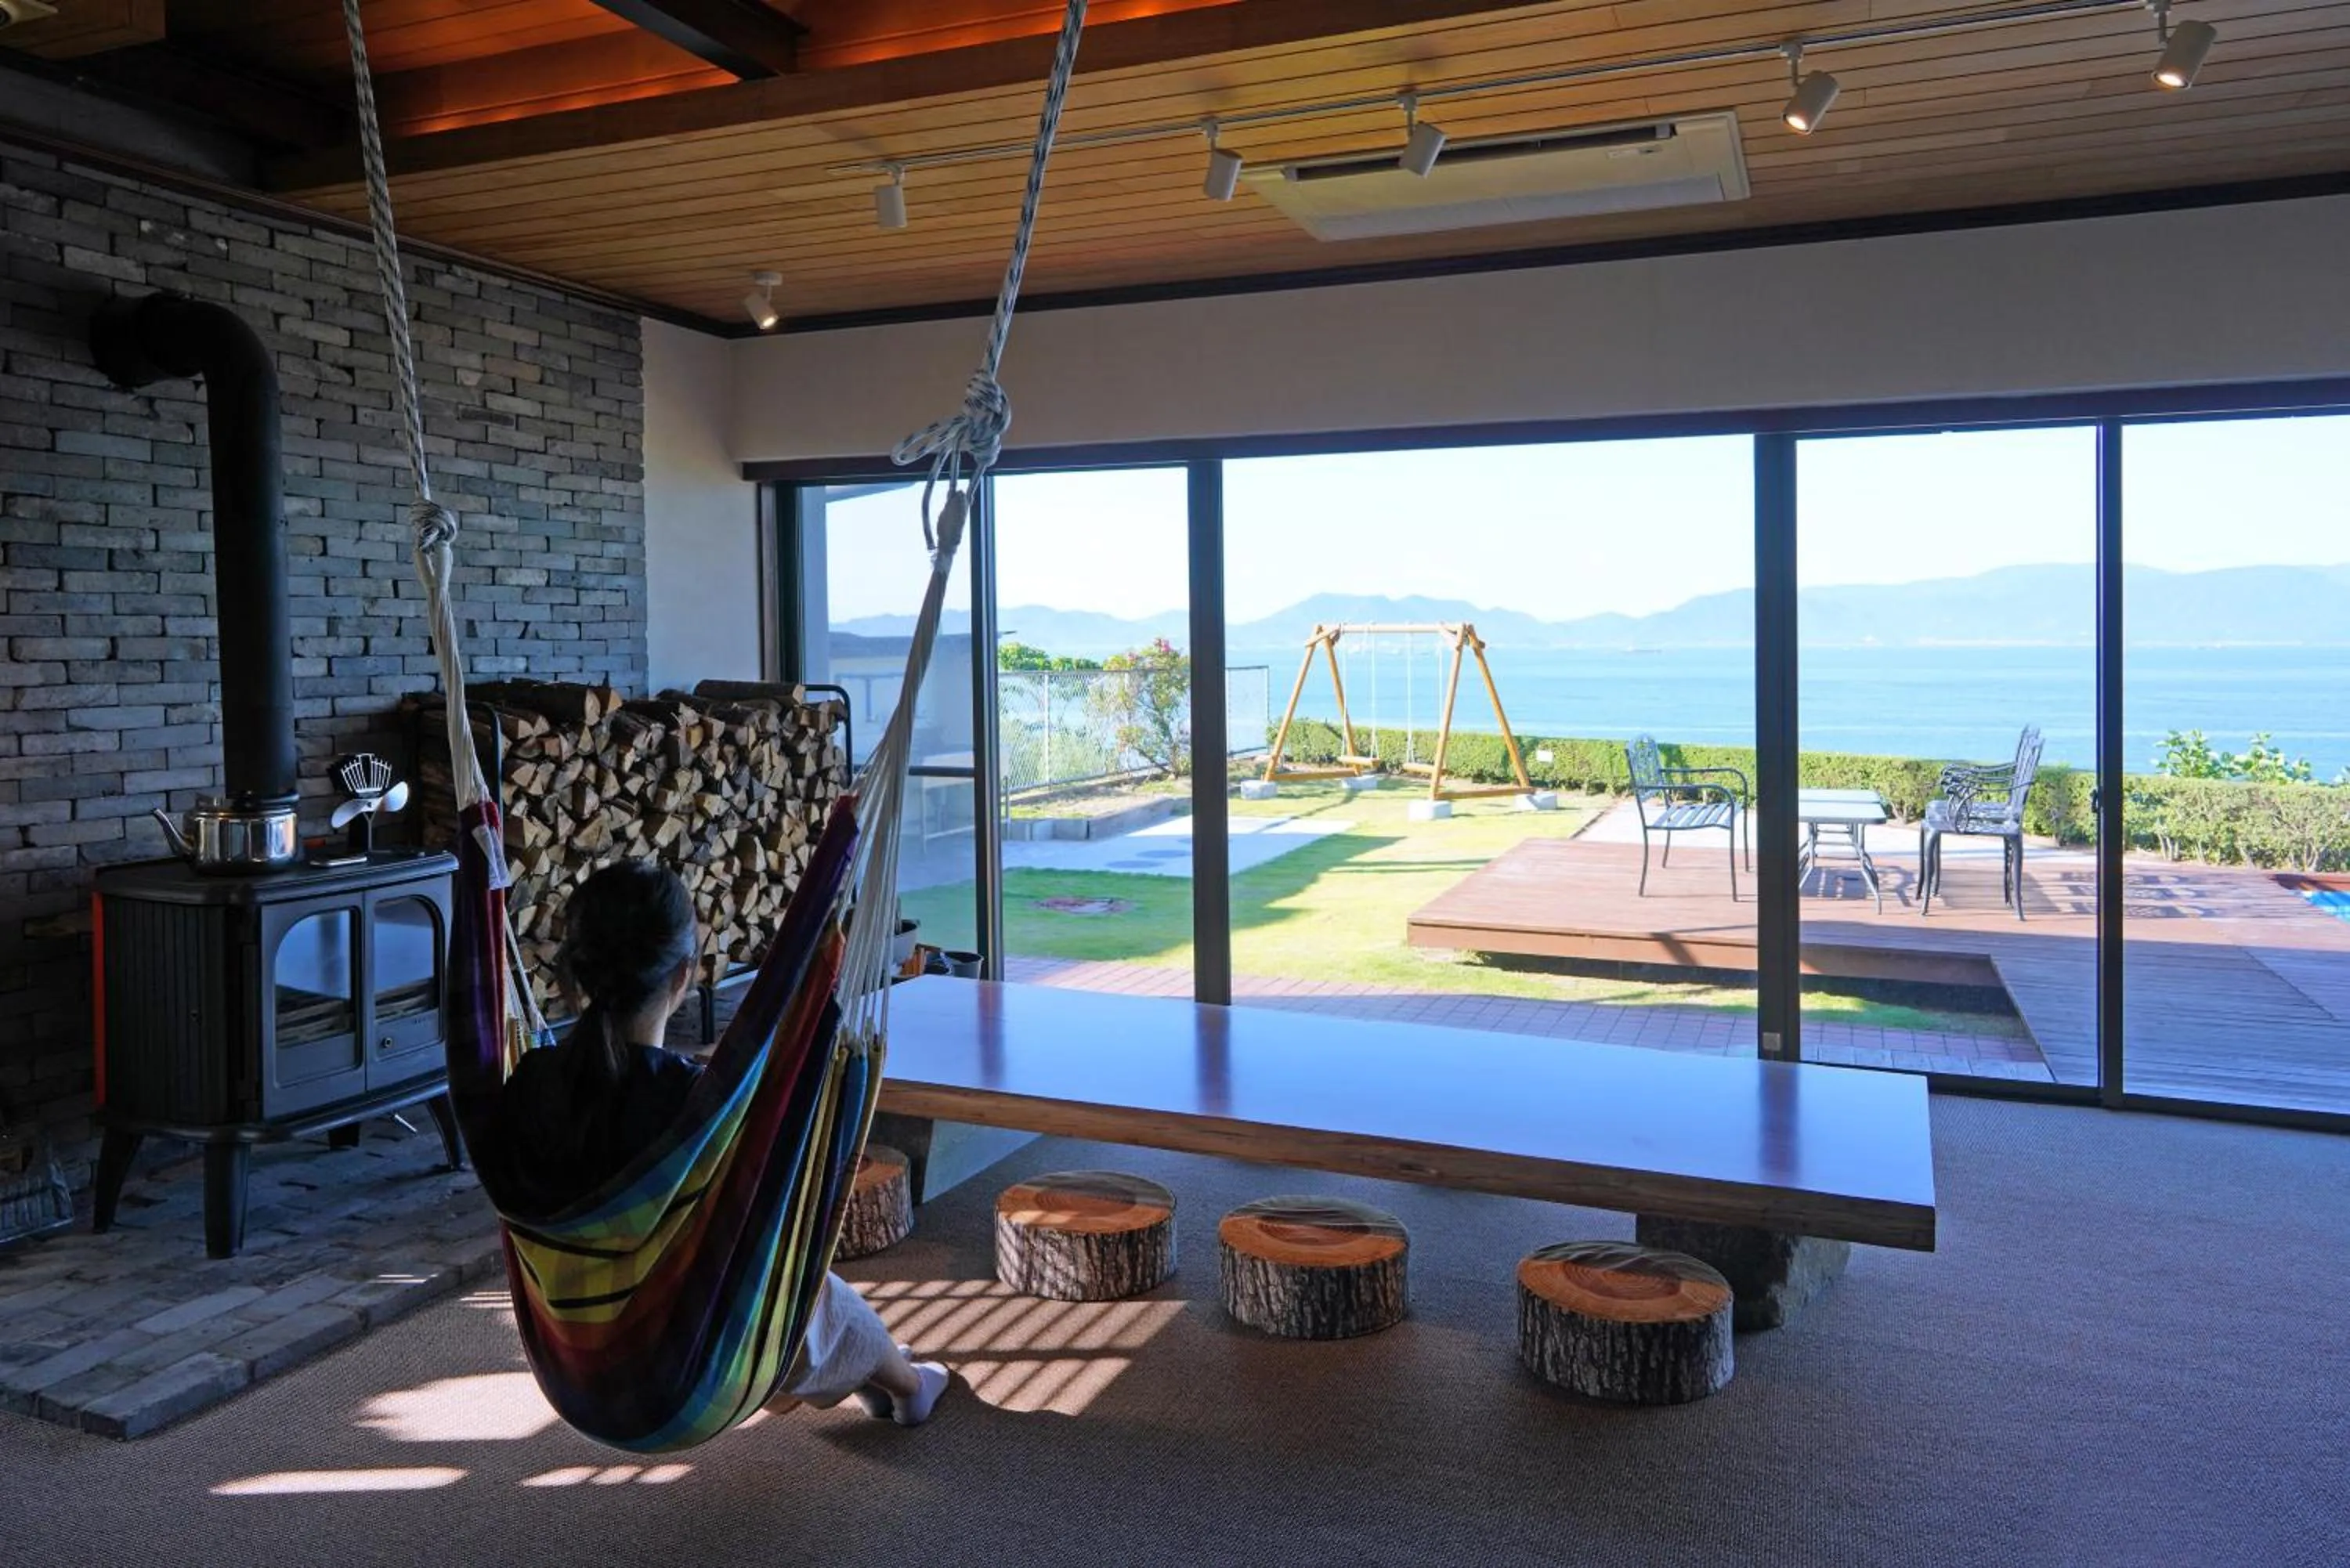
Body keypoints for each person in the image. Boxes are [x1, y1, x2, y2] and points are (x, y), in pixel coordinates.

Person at [497, 860, 950, 1427]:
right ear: (684, 974)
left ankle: (877, 1371)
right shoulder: (699, 1108)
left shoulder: (528, 1083)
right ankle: (909, 1387)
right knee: (787, 1288)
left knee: (760, 1289)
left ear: (579, 972)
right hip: (680, 1366)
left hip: (577, 1360)